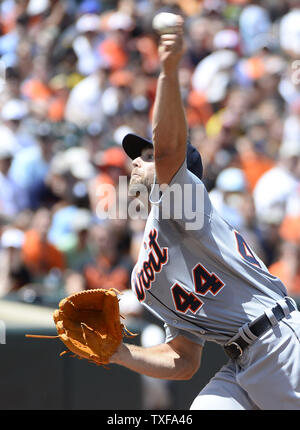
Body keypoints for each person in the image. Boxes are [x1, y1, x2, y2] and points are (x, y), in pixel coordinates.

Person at [109, 16, 300, 410]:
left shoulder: (183, 205)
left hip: (282, 343)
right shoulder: (149, 257)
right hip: (241, 361)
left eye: (144, 158)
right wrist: (120, 355)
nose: (137, 163)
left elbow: (166, 151)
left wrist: (168, 70)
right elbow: (183, 358)